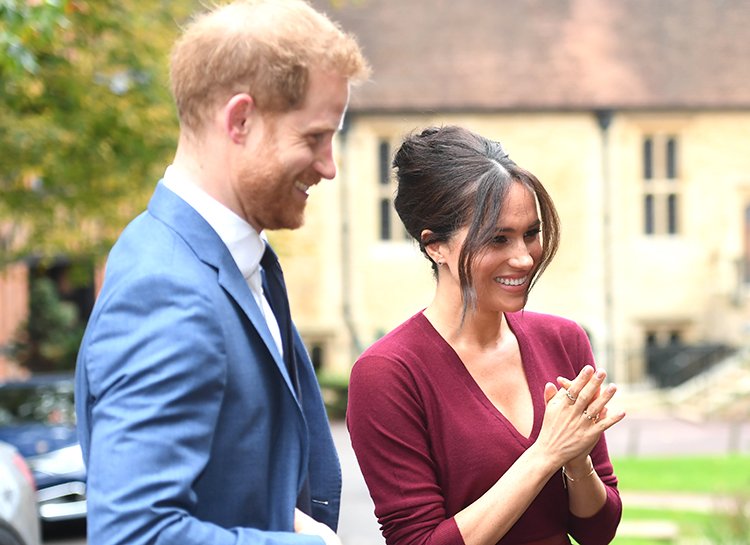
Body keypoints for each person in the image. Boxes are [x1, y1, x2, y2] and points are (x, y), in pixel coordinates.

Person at [74, 2, 369, 544]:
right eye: (313, 138)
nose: (329, 166)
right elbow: (132, 534)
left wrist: (281, 515)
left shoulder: (223, 256)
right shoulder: (166, 291)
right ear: (240, 121)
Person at [346, 126, 626, 545]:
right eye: (497, 239)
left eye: (530, 234)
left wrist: (576, 462)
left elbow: (596, 530)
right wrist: (545, 454)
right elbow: (418, 541)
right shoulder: (387, 374)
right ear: (434, 246)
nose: (523, 257)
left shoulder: (564, 340)